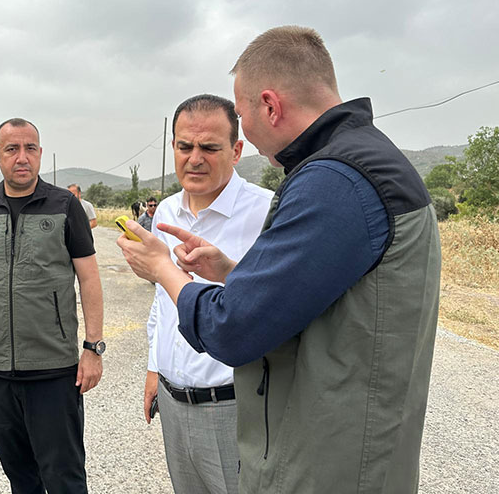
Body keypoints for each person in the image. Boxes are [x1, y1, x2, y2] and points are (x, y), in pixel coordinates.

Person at [117, 26, 440, 493]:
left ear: (269, 106)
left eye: (243, 114)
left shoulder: (335, 181)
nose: (195, 157)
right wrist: (231, 272)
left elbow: (232, 328)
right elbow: (315, 293)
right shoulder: (359, 164)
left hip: (329, 459)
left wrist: (163, 268)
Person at [0, 118, 104, 494]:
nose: (22, 158)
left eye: (30, 148)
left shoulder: (65, 206)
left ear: (39, 153)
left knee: (64, 476)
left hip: (53, 370)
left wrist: (93, 348)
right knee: (20, 476)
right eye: (13, 149)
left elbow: (89, 278)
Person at [145, 94, 272, 494]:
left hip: (236, 405)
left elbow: (271, 307)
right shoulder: (165, 212)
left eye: (209, 147)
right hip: (172, 401)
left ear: (236, 151)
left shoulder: (267, 213)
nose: (194, 158)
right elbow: (163, 301)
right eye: (185, 146)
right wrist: (154, 368)